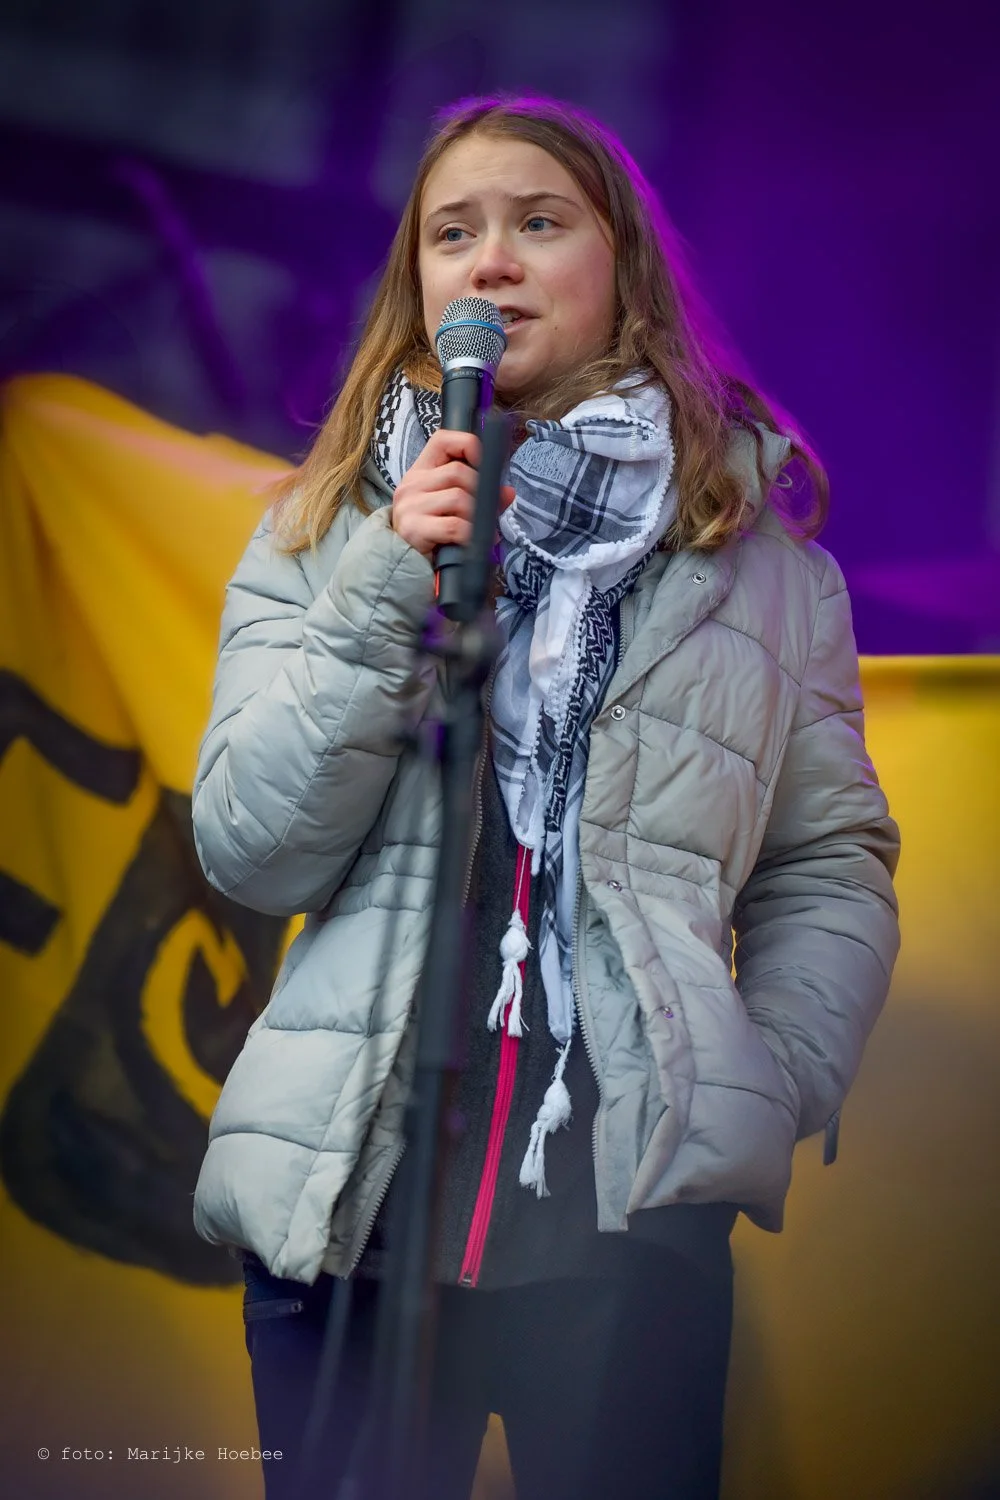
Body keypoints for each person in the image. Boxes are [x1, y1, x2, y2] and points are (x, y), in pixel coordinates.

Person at [190, 94, 901, 1500]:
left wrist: (761, 1077)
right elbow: (253, 849)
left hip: (623, 1224)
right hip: (355, 1207)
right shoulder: (321, 534)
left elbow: (827, 865)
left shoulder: (765, 571)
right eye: (452, 234)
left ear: (623, 267)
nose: (492, 261)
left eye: (538, 222)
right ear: (419, 284)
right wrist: (387, 582)